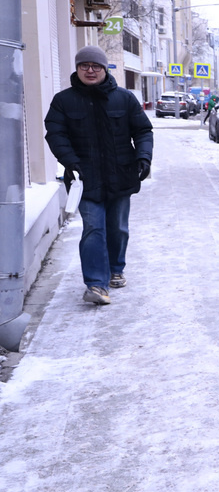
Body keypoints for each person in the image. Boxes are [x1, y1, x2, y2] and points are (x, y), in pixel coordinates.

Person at [44, 45, 154, 305]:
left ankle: (116, 268)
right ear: (77, 68)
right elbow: (55, 134)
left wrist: (143, 157)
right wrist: (70, 162)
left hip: (121, 174)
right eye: (84, 66)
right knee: (94, 228)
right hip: (84, 178)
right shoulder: (63, 101)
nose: (90, 70)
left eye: (96, 66)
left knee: (118, 228)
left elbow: (143, 131)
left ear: (105, 69)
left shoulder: (124, 98)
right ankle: (96, 284)